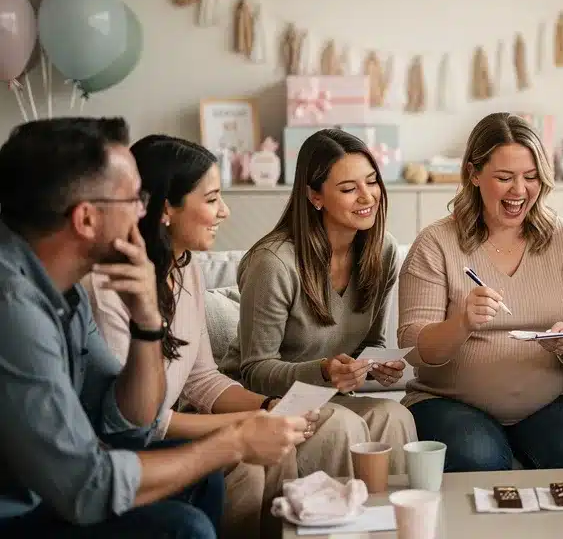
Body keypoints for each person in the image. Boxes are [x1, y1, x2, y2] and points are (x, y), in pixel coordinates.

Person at [0, 118, 305, 538]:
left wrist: (147, 322)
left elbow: (128, 423)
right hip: (20, 511)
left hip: (55, 491)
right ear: (86, 219)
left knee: (203, 478)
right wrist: (231, 442)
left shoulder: (61, 289)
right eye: (132, 199)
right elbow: (84, 486)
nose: (144, 211)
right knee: (184, 527)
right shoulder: (14, 309)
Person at [82, 135, 329, 539]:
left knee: (277, 449)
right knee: (246, 461)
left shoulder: (185, 268)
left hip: (156, 429)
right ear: (166, 208)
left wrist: (269, 406)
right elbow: (143, 422)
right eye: (212, 199)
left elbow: (201, 379)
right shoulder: (108, 285)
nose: (225, 212)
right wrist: (246, 424)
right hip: (119, 447)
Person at [398, 112, 563, 471]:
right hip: (448, 403)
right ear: (473, 174)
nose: (519, 191)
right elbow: (412, 347)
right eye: (505, 178)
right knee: (481, 460)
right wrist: (461, 322)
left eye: (531, 177)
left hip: (547, 402)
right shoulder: (435, 243)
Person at [220, 128, 417, 476]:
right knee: (341, 424)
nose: (367, 196)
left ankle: (389, 523)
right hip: (265, 403)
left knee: (396, 415)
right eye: (348, 188)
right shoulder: (273, 263)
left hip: (327, 398)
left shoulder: (382, 251)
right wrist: (324, 370)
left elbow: (372, 342)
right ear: (315, 196)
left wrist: (376, 366)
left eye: (371, 182)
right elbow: (254, 371)